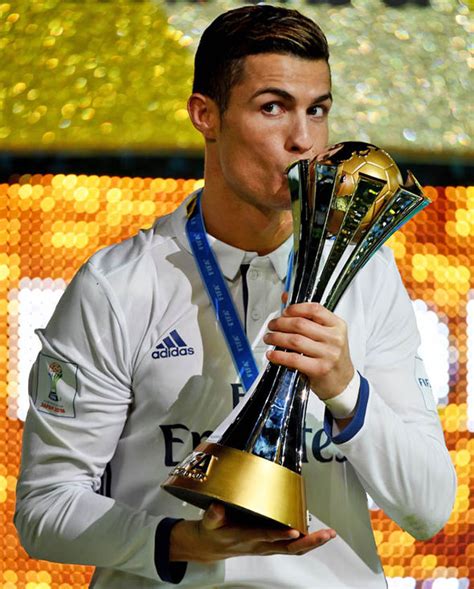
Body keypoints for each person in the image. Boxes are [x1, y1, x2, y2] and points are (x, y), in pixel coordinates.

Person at [15, 5, 456, 588]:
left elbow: (428, 509)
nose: (303, 140)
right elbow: (45, 509)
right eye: (272, 108)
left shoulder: (368, 275)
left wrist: (346, 390)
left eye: (317, 111)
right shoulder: (119, 285)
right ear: (207, 116)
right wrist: (180, 541)